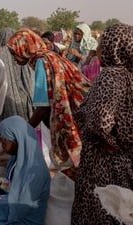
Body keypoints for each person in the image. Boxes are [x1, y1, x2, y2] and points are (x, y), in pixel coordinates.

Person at [71, 23, 133, 224]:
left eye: (103, 43)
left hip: (103, 158)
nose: (99, 47)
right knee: (119, 208)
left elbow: (100, 122)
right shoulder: (129, 74)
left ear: (112, 46)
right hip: (124, 156)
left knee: (98, 207)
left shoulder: (111, 75)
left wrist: (107, 140)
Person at [7, 28, 90, 171]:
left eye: (15, 54)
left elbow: (43, 107)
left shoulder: (42, 62)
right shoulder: (49, 56)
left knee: (70, 159)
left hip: (75, 112)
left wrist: (23, 133)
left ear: (25, 47)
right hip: (83, 108)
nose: (14, 59)